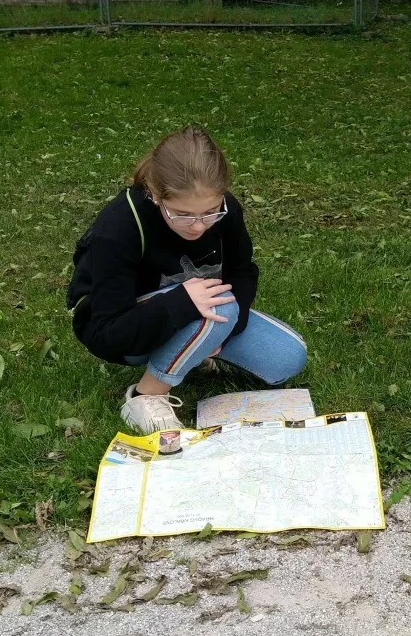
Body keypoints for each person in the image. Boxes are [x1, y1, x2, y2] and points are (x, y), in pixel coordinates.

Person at [67, 126, 307, 433]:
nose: (198, 226)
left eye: (210, 212)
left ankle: (191, 347)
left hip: (199, 311)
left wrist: (225, 333)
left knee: (287, 358)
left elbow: (242, 272)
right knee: (220, 307)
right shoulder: (119, 227)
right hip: (123, 330)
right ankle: (145, 396)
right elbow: (106, 334)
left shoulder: (227, 210)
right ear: (155, 194)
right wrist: (181, 304)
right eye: (182, 214)